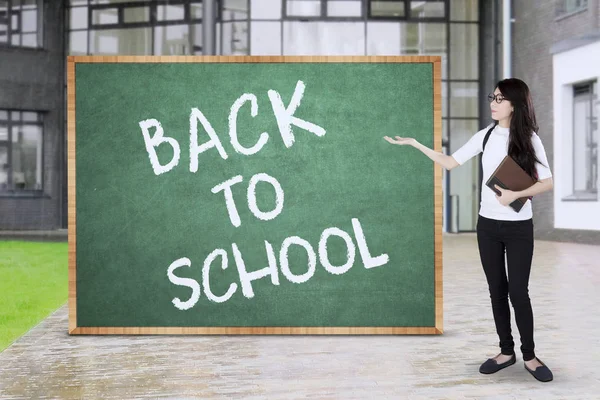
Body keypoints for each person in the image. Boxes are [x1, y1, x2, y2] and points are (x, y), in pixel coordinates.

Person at [384, 78, 554, 383]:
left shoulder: (529, 138)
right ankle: (506, 351)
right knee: (496, 291)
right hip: (487, 226)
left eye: (500, 99)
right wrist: (415, 144)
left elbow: (548, 182)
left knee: (518, 292)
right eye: (493, 97)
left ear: (515, 104)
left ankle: (529, 355)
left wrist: (514, 196)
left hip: (518, 228)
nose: (493, 102)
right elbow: (450, 162)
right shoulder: (486, 136)